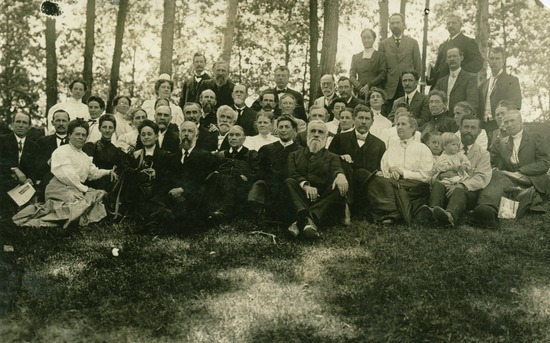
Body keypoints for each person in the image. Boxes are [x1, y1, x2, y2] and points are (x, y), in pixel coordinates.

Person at [12, 119, 117, 228]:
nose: (81, 137)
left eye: (83, 135)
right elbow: (67, 175)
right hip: (59, 188)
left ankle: (72, 216)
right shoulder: (62, 151)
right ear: (70, 135)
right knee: (78, 205)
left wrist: (108, 172)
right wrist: (84, 189)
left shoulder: (84, 156)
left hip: (75, 188)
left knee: (93, 198)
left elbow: (93, 172)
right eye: (77, 134)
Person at [471, 110, 550, 227]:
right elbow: (489, 159)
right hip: (510, 178)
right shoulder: (503, 141)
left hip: (532, 178)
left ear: (520, 121)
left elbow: (544, 163)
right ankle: (487, 211)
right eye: (506, 122)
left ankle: (485, 206)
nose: (509, 124)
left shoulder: (534, 137)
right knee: (494, 174)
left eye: (512, 121)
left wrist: (520, 171)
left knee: (499, 175)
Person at [418, 115, 491, 227]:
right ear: (460, 128)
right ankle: (432, 211)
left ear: (479, 131)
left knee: (459, 191)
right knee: (438, 185)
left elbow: (481, 178)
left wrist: (461, 185)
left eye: (473, 128)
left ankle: (449, 216)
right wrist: (440, 176)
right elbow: (435, 168)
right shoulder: (447, 148)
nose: (469, 131)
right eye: (466, 127)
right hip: (445, 187)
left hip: (466, 193)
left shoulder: (483, 154)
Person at [285, 120, 349, 238]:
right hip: (301, 196)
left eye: (320, 132)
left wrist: (340, 175)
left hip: (323, 199)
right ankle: (309, 222)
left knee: (338, 187)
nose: (316, 134)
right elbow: (292, 173)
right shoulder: (294, 155)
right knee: (289, 182)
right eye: (313, 131)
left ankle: (303, 220)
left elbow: (337, 168)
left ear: (326, 136)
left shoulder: (332, 157)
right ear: (307, 134)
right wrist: (305, 186)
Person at [365, 114, 433, 225]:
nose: (399, 127)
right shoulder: (391, 149)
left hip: (414, 185)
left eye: (403, 124)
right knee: (375, 181)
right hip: (393, 183)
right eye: (397, 124)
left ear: (412, 128)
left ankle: (391, 214)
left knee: (389, 188)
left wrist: (404, 173)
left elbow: (426, 176)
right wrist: (391, 173)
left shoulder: (422, 149)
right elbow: (384, 168)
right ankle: (401, 212)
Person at [329, 105, 386, 217]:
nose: (363, 122)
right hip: (345, 185)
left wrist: (380, 172)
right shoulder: (340, 138)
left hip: (367, 188)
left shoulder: (379, 144)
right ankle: (347, 206)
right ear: (354, 120)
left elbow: (381, 167)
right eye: (360, 118)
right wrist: (341, 157)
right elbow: (329, 158)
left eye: (367, 119)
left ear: (372, 122)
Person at [165, 121, 218, 229]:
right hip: (173, 194)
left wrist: (183, 189)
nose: (186, 134)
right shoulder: (173, 157)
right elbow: (168, 178)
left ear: (196, 136)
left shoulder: (205, 156)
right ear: (179, 135)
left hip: (194, 196)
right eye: (183, 131)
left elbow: (203, 181)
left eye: (190, 131)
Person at [248, 116, 301, 221]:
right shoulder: (267, 148)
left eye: (287, 127)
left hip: (289, 188)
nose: (284, 130)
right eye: (281, 127)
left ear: (294, 130)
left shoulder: (300, 151)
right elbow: (259, 169)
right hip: (270, 186)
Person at [202, 125, 259, 219]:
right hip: (220, 183)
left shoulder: (250, 154)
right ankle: (210, 211)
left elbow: (257, 171)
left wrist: (247, 177)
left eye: (237, 135)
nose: (233, 138)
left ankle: (223, 212)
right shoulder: (222, 154)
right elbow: (211, 168)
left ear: (244, 138)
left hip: (240, 185)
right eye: (231, 135)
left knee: (231, 179)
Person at [428, 12, 483, 87]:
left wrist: (458, 72)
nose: (450, 25)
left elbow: (478, 63)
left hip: (459, 85)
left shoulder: (468, 42)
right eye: (448, 23)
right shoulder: (442, 45)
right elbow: (439, 67)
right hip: (440, 86)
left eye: (453, 23)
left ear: (460, 25)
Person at [378, 13, 422, 108]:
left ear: (404, 25)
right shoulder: (383, 44)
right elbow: (381, 68)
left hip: (407, 86)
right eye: (392, 23)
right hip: (389, 88)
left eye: (398, 23)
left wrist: (414, 83)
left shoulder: (413, 43)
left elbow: (418, 65)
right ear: (389, 26)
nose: (395, 26)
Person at [0, 112, 40, 214]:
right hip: (5, 179)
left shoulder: (34, 146)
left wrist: (31, 179)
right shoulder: (2, 140)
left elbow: (35, 168)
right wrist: (14, 169)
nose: (21, 125)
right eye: (18, 122)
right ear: (12, 124)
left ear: (29, 126)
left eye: (24, 122)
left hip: (24, 185)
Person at [479, 47, 522, 134]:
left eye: (497, 58)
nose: (494, 61)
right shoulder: (483, 85)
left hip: (503, 125)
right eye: (491, 58)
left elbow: (516, 103)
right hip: (483, 127)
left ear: (503, 61)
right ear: (488, 61)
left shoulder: (511, 80)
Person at [83, 114, 130, 191]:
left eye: (110, 127)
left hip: (110, 188)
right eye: (104, 127)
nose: (107, 130)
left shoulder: (117, 151)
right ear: (99, 128)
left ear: (114, 130)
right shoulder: (90, 147)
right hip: (92, 186)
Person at [433, 47, 478, 114]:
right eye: (449, 57)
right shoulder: (441, 81)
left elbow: (471, 102)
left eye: (454, 56)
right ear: (446, 60)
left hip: (460, 118)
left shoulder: (470, 78)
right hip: (442, 118)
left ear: (461, 58)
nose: (452, 59)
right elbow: (433, 98)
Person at [350, 29, 387, 99]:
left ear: (374, 39)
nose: (366, 40)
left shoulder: (380, 56)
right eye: (364, 38)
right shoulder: (356, 57)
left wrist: (369, 85)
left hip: (375, 91)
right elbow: (352, 75)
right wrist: (359, 88)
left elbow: (383, 74)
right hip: (360, 91)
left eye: (369, 37)